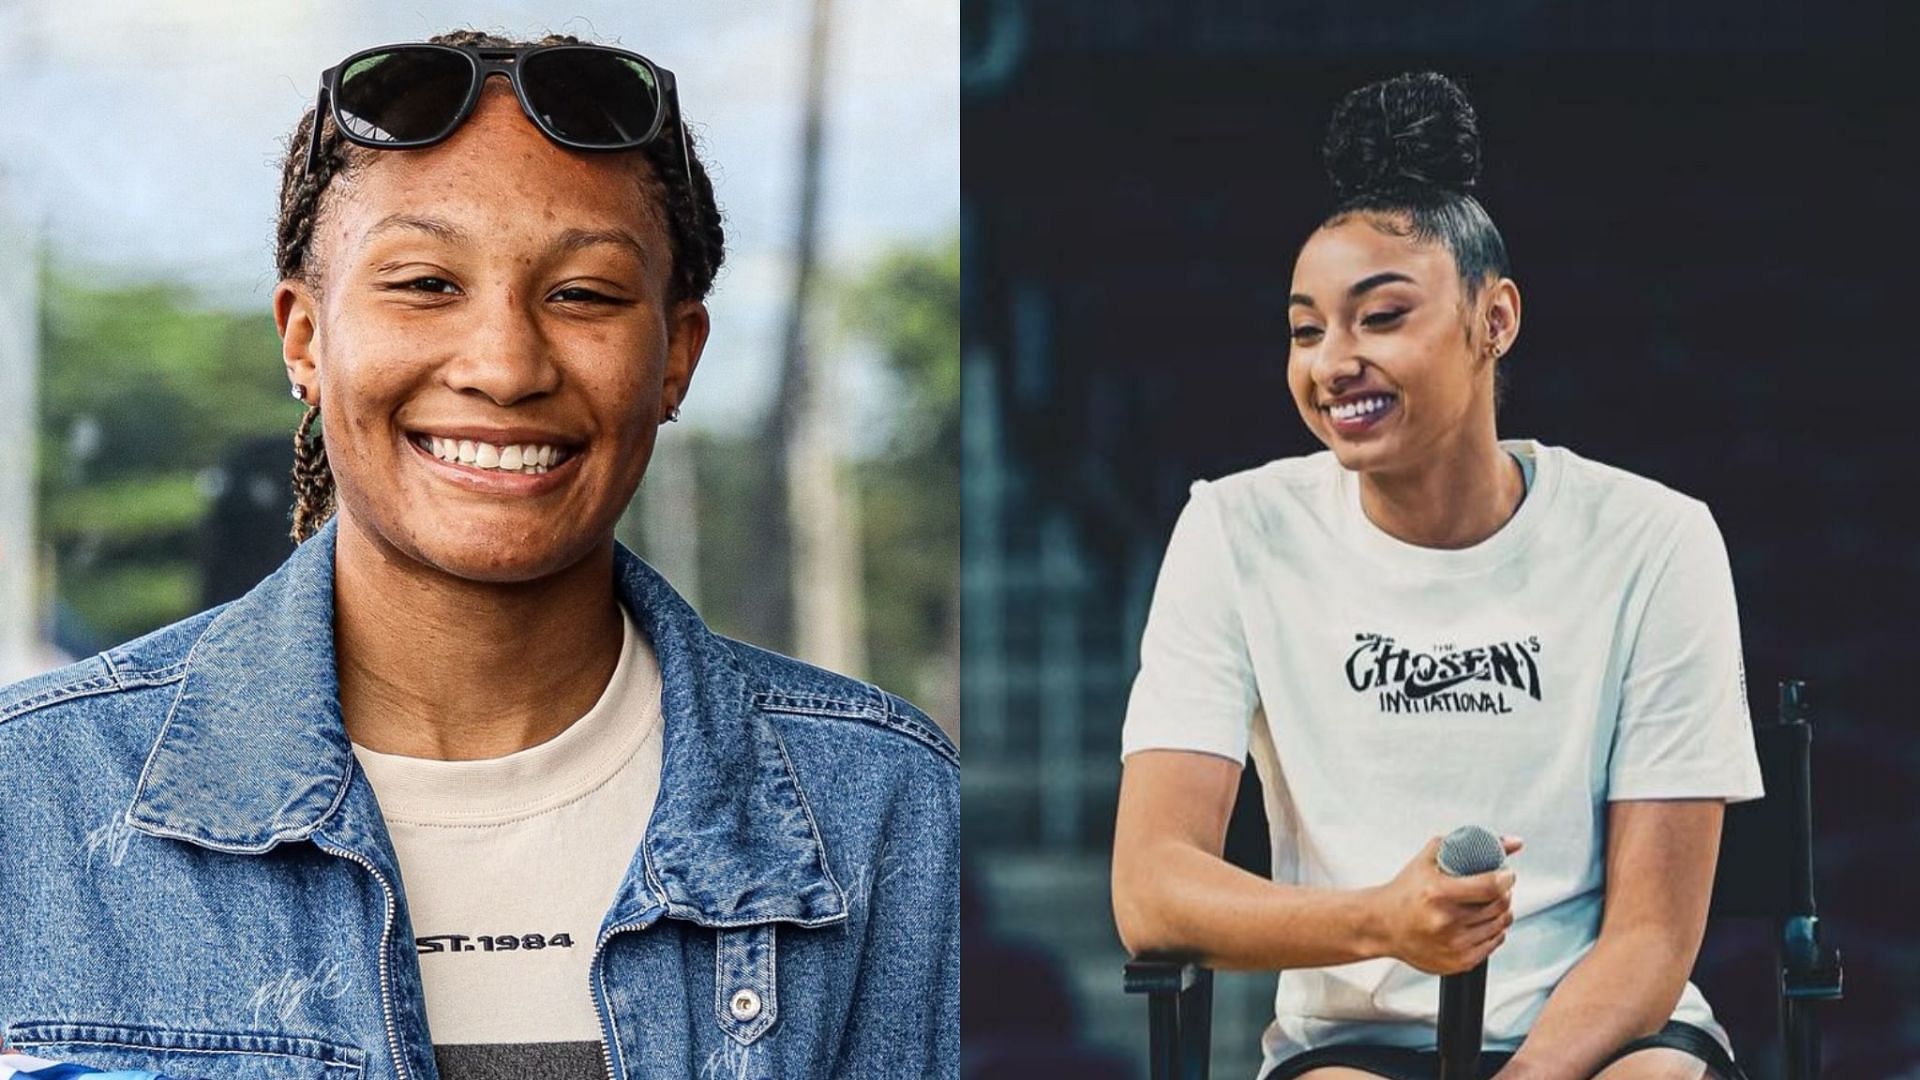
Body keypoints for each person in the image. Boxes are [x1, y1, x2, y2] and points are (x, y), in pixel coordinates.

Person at [0, 29, 958, 1080]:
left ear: (677, 356)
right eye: (424, 283)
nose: (504, 367)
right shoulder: (34, 800)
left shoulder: (886, 810)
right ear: (304, 339)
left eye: (583, 294)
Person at [1110, 71, 1762, 1080]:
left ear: (1492, 320)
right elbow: (1152, 889)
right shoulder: (1234, 530)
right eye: (1304, 328)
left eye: (1380, 317)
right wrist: (1385, 921)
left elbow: (1652, 938)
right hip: (1357, 1044)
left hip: (1606, 1039)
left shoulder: (1657, 539)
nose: (1332, 362)